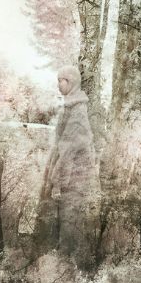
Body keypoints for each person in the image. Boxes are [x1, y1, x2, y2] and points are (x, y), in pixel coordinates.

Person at [38, 65, 100, 270]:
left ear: (71, 83)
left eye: (62, 80)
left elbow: (68, 149)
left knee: (69, 222)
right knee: (61, 221)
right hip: (70, 175)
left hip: (75, 178)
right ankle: (60, 265)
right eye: (58, 79)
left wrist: (57, 182)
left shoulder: (78, 111)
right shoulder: (70, 107)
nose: (58, 84)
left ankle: (68, 268)